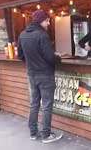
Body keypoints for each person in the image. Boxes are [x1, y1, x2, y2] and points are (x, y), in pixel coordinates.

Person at [17, 10, 63, 143]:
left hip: (32, 75)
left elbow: (20, 56)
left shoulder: (23, 35)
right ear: (40, 21)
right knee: (47, 106)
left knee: (34, 104)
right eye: (47, 20)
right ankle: (46, 135)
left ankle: (33, 133)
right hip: (45, 75)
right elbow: (49, 57)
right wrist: (58, 58)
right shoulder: (42, 35)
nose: (49, 23)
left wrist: (33, 60)